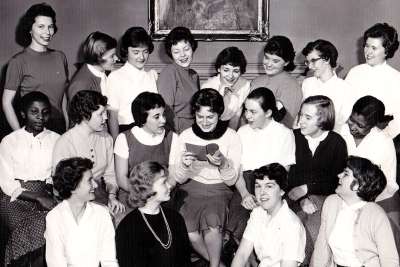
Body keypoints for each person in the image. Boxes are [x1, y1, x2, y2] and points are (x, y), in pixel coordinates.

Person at [170, 88, 242, 267]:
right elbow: (177, 178)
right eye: (199, 117)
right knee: (188, 230)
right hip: (191, 188)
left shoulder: (231, 137)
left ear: (219, 114)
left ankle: (214, 265)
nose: (204, 122)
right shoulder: (185, 136)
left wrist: (223, 163)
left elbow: (231, 181)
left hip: (219, 189)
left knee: (213, 224)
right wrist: (184, 165)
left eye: (210, 117)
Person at [226, 87, 296, 248]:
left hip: (272, 185)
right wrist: (244, 195)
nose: (247, 116)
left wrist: (263, 194)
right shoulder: (242, 132)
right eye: (246, 110)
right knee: (238, 222)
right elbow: (238, 170)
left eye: (253, 111)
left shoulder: (284, 134)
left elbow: (282, 174)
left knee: (267, 226)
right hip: (245, 184)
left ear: (268, 112)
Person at [0, 92, 59, 267]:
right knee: (34, 227)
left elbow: (58, 176)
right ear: (23, 114)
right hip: (14, 198)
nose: (41, 117)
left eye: (45, 112)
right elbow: (6, 183)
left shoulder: (57, 139)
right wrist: (37, 198)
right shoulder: (9, 141)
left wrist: (48, 195)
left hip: (48, 194)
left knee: (55, 226)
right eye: (34, 112)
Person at [288, 95, 348, 264]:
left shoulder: (337, 143)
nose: (301, 122)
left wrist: (307, 188)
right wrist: (302, 198)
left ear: (323, 120)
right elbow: (287, 175)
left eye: (308, 117)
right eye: (301, 115)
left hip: (325, 198)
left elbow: (336, 182)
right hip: (292, 196)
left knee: (314, 231)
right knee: (293, 230)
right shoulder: (292, 137)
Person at [311, 156, 399, 267]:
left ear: (359, 185)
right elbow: (321, 247)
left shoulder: (376, 215)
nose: (339, 175)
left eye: (346, 174)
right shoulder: (331, 203)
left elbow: (390, 260)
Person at [339, 95, 400, 250]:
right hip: (346, 191)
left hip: (380, 197)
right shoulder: (342, 132)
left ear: (373, 125)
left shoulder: (384, 143)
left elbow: (389, 184)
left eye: (360, 125)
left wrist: (364, 204)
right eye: (351, 120)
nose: (352, 127)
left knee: (388, 241)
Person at [52, 90, 124, 215]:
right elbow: (62, 187)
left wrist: (112, 196)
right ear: (85, 116)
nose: (105, 118)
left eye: (105, 113)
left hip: (100, 193)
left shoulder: (106, 138)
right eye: (100, 114)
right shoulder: (65, 142)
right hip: (73, 200)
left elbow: (110, 175)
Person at [2, 3, 69, 134]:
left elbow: (63, 96)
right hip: (34, 127)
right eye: (41, 26)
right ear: (30, 29)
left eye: (50, 27)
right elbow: (6, 103)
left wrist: (66, 124)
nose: (47, 32)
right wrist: (21, 135)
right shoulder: (18, 61)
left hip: (58, 125)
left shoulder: (60, 57)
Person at [113, 92, 178, 224]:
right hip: (133, 196)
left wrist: (158, 196)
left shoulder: (172, 138)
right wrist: (144, 197)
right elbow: (121, 178)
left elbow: (172, 176)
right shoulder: (124, 138)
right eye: (156, 117)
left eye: (163, 114)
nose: (163, 120)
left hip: (163, 196)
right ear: (143, 119)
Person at [116, 161, 191, 267]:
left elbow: (185, 260)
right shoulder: (128, 227)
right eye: (163, 182)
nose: (169, 186)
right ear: (148, 187)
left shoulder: (176, 218)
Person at [46, 157, 118, 267]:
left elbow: (109, 261)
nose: (96, 185)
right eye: (89, 180)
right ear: (73, 187)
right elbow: (56, 263)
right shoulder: (54, 218)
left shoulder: (102, 214)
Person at [231, 163, 306, 267]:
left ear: (282, 190)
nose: (262, 192)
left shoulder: (292, 225)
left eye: (269, 186)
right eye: (258, 186)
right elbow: (242, 254)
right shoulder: (257, 213)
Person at [346, 22, 400, 138]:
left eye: (374, 48)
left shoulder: (396, 78)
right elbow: (344, 106)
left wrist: (382, 137)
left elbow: (398, 119)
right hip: (350, 133)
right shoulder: (354, 72)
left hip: (381, 136)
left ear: (386, 50)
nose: (368, 52)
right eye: (366, 45)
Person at [106, 27, 158, 140]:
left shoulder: (151, 76)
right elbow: (112, 117)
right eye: (136, 52)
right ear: (126, 51)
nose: (141, 57)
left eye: (145, 52)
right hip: (126, 134)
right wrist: (116, 144)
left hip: (150, 133)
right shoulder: (115, 77)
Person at [301, 39, 354, 132]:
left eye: (313, 61)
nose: (309, 66)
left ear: (327, 59)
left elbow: (342, 123)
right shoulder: (307, 83)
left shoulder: (345, 89)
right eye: (308, 62)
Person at [251, 35, 302, 128]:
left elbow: (287, 123)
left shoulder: (291, 85)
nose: (269, 64)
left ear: (286, 62)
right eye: (266, 57)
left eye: (275, 61)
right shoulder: (256, 81)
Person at [157, 26, 200, 134]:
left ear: (192, 48)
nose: (183, 55)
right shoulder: (169, 72)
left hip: (196, 129)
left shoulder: (194, 75)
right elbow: (166, 110)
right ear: (171, 54)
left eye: (186, 49)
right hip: (177, 132)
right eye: (176, 51)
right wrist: (179, 135)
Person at [201, 46, 250, 130]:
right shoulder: (208, 86)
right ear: (219, 69)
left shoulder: (245, 85)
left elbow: (237, 114)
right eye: (226, 70)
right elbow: (207, 118)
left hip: (233, 124)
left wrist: (231, 136)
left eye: (236, 71)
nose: (230, 76)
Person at [67, 31, 118, 101]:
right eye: (112, 56)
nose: (116, 58)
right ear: (98, 57)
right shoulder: (80, 85)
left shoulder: (101, 72)